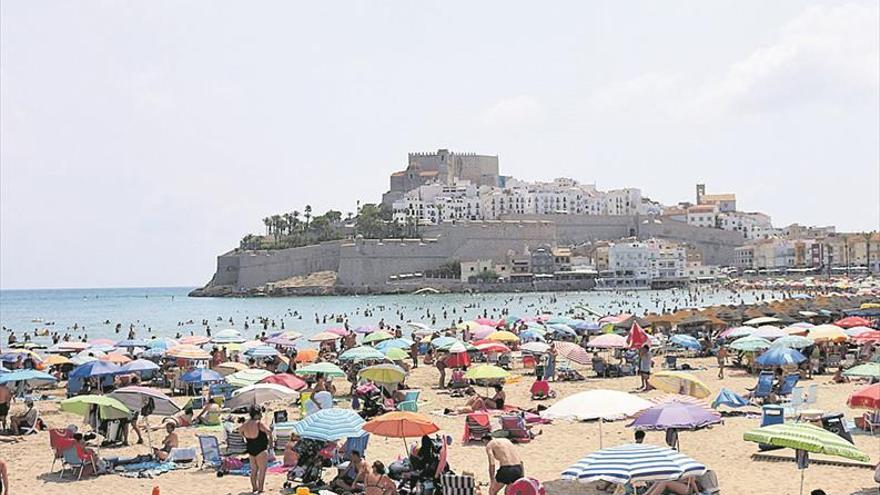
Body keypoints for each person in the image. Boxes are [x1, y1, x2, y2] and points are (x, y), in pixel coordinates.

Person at [240, 406, 273, 494]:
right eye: (260, 413)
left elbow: (240, 431)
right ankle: (260, 489)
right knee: (262, 469)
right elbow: (269, 432)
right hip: (261, 448)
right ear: (257, 414)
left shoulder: (245, 424)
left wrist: (245, 436)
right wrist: (271, 444)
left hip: (250, 448)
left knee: (254, 470)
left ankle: (254, 488)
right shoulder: (259, 424)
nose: (261, 415)